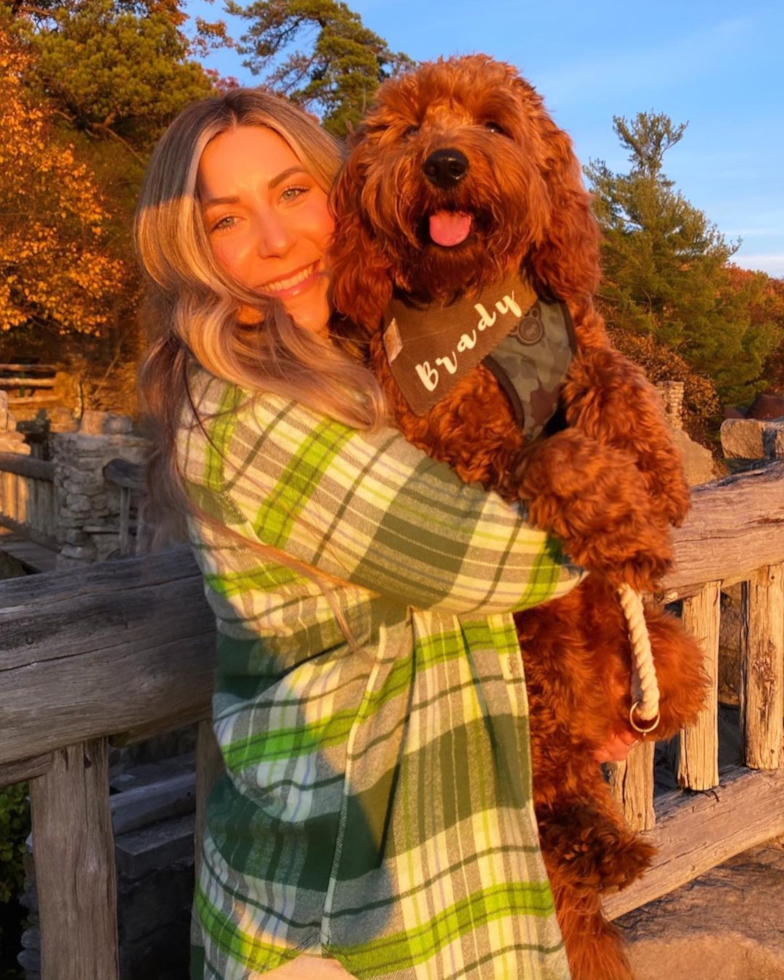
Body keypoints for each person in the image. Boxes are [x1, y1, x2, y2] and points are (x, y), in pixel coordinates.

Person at [135, 88, 586, 980]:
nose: (276, 242)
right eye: (228, 220)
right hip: (344, 908)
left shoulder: (352, 353)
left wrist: (589, 687)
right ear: (190, 252)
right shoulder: (243, 412)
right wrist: (624, 498)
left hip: (433, 855)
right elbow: (504, 555)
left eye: (295, 193)